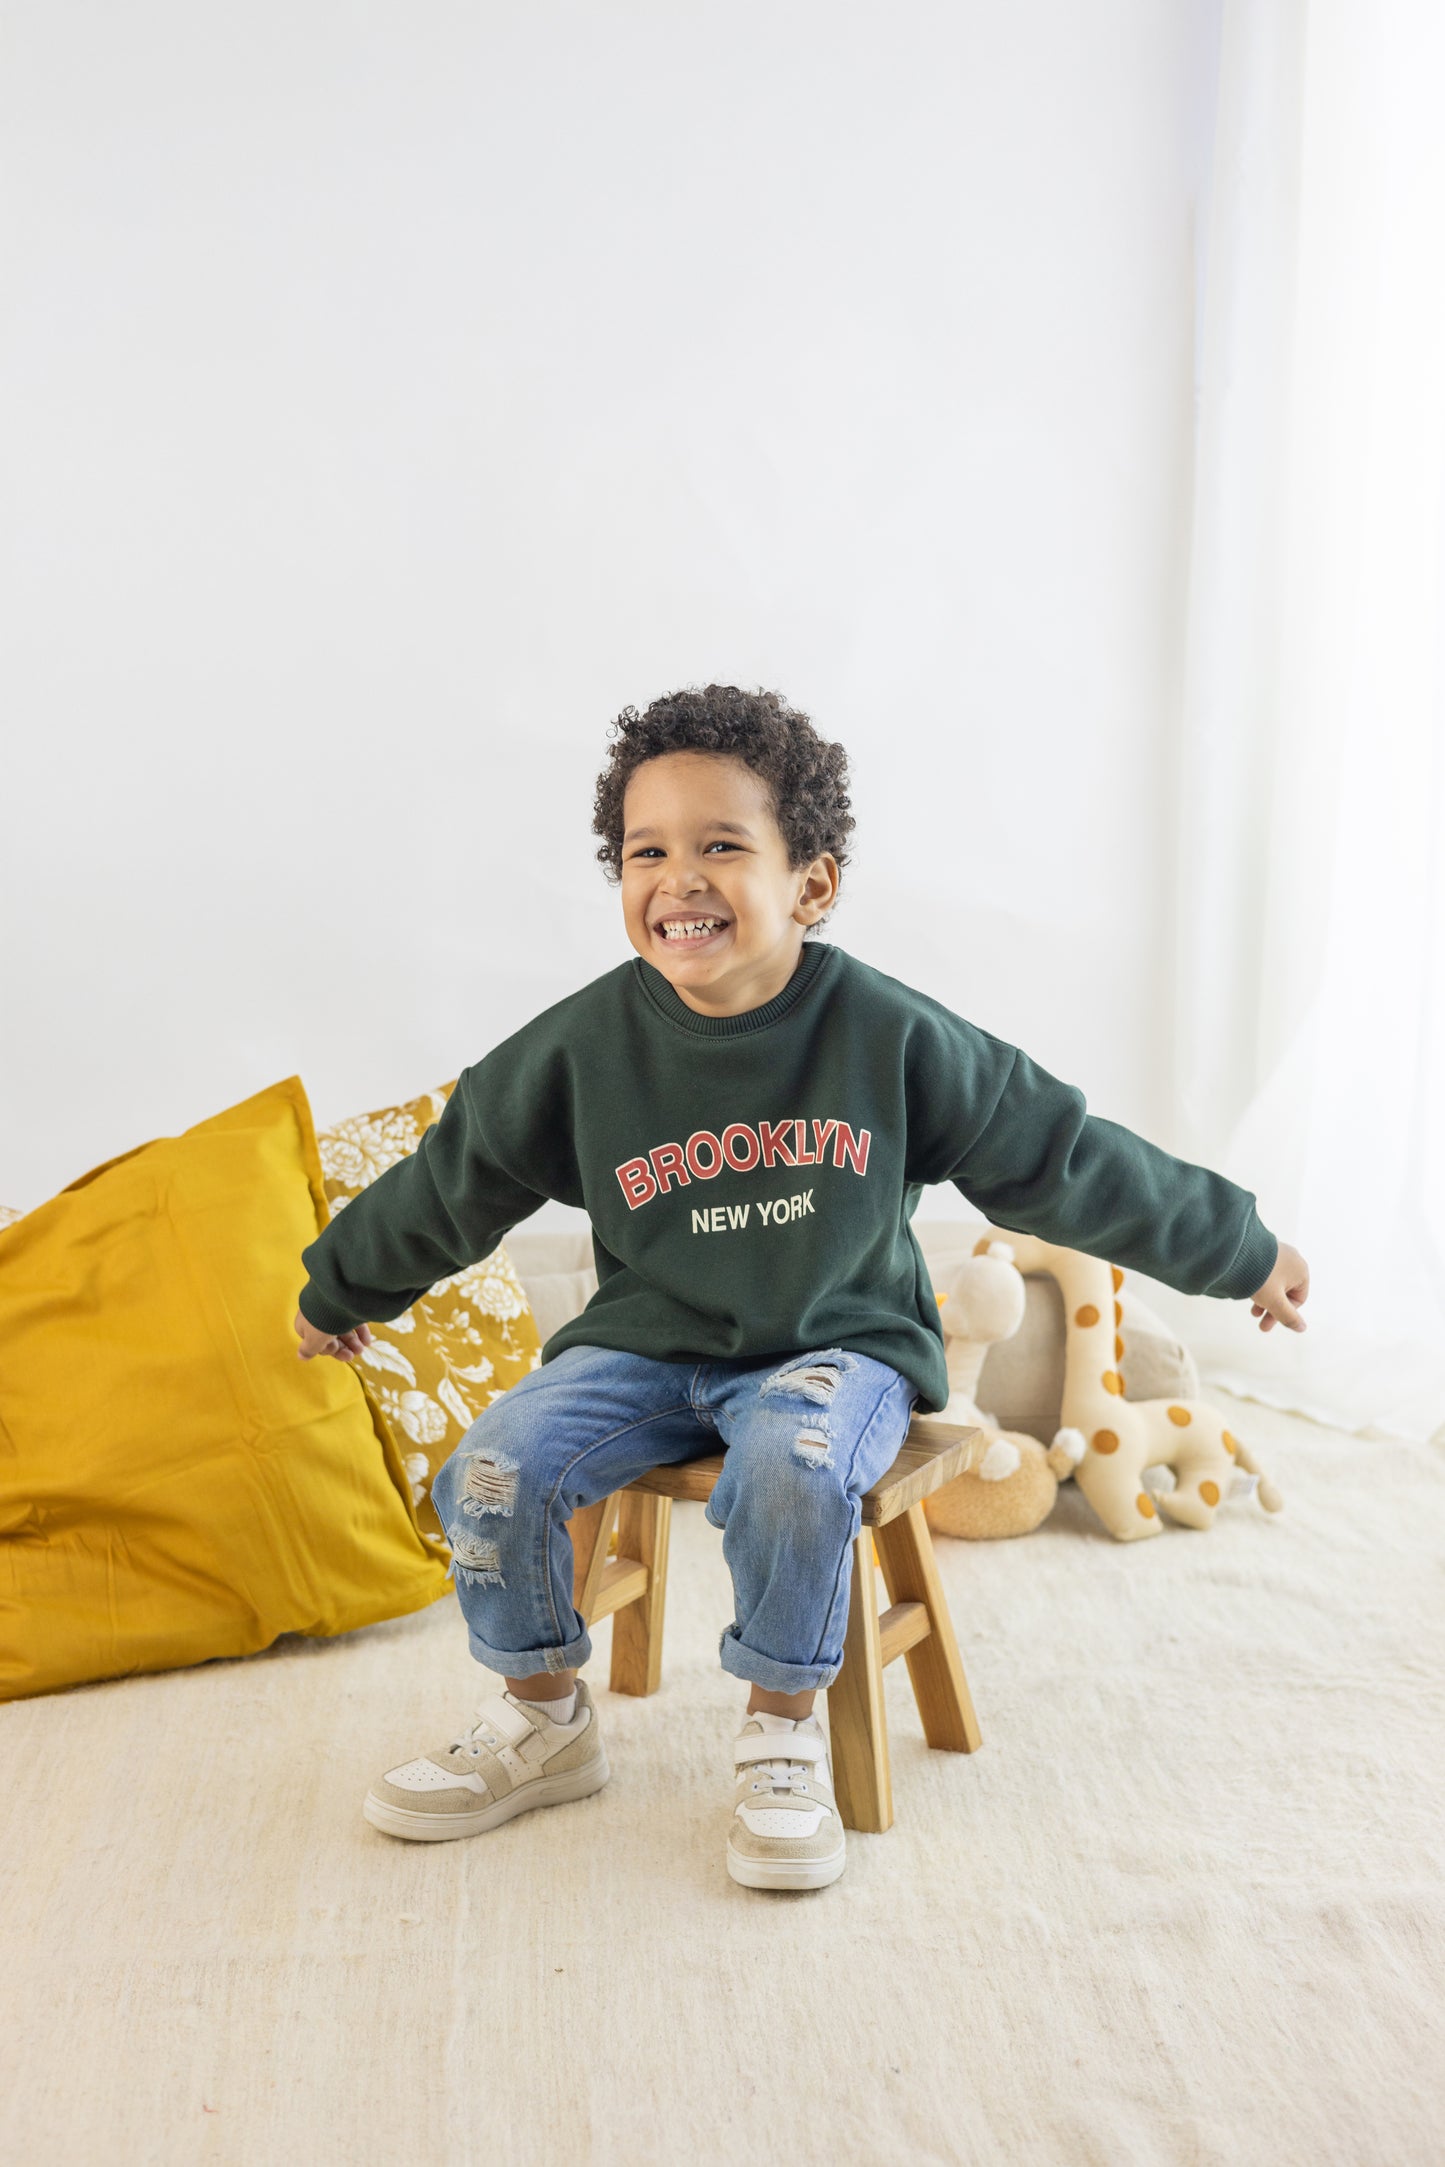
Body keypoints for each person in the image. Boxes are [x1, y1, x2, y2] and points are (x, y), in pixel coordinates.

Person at [293, 684, 1310, 1893]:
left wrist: (1240, 1249)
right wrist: (340, 1286)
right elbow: (455, 1178)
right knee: (493, 1469)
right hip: (647, 1344)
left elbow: (1059, 1154)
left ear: (810, 884)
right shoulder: (579, 1048)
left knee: (792, 1466)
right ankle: (542, 1717)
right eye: (646, 851)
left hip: (834, 1343)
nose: (678, 878)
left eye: (721, 845)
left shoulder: (882, 1031)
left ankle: (779, 1732)